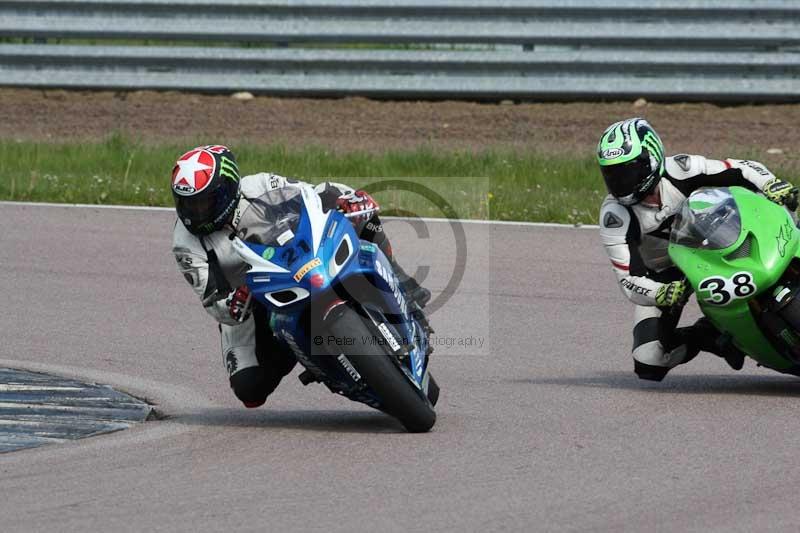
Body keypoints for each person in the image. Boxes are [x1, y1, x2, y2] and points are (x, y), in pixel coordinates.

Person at [170, 144, 430, 407]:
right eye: (187, 204)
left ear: (227, 189)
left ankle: (406, 287)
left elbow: (315, 194)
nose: (195, 213)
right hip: (252, 297)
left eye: (203, 202)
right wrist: (236, 301)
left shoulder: (260, 186)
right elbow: (213, 302)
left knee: (364, 219)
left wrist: (350, 199)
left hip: (301, 257)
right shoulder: (185, 243)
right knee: (249, 390)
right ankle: (297, 349)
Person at [597, 118, 797, 381]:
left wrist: (770, 184)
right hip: (667, 274)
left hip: (711, 242)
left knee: (786, 212)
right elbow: (628, 280)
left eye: (628, 171)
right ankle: (712, 336)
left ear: (652, 158)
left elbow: (741, 168)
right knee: (649, 359)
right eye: (612, 174)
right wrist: (663, 293)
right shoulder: (615, 215)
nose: (621, 181)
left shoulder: (680, 168)